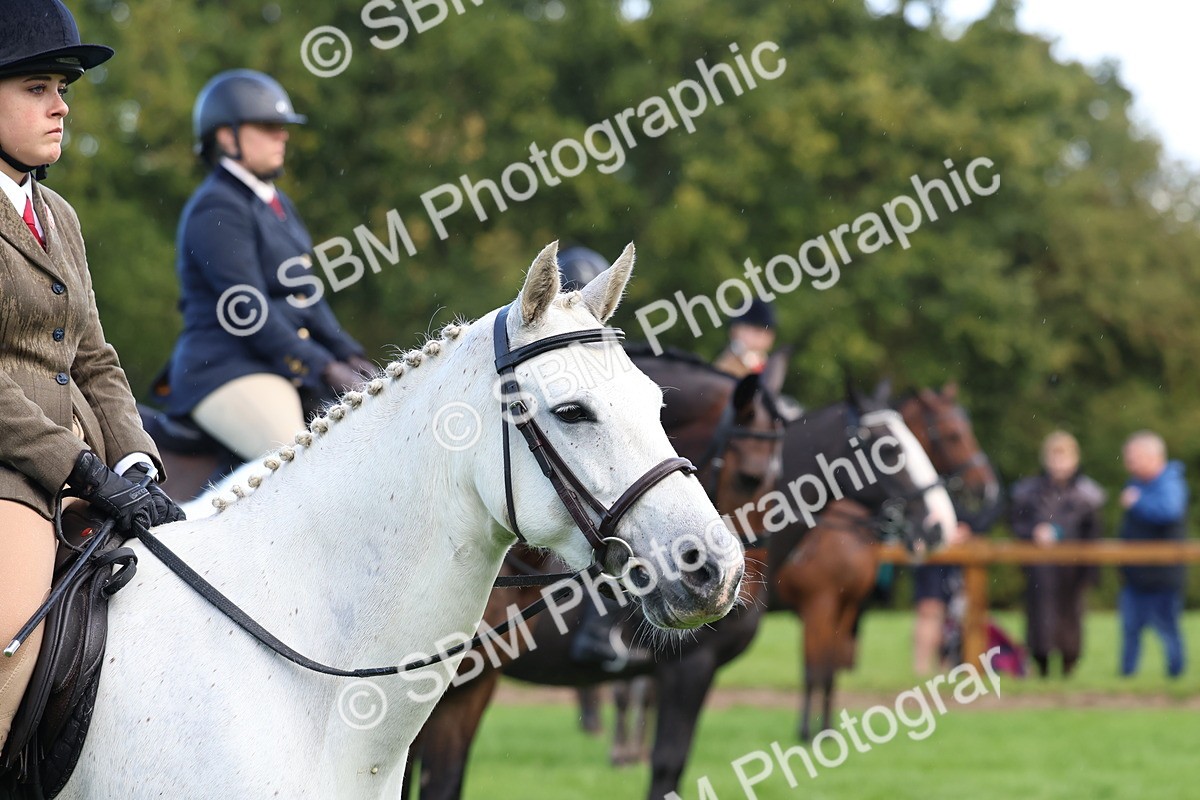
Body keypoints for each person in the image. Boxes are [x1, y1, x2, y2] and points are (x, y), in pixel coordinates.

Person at [0, 0, 184, 754]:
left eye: (63, 88)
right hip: (12, 475)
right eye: (37, 87)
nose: (61, 106)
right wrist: (78, 466)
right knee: (10, 639)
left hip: (91, 466)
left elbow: (95, 357)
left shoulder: (60, 216)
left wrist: (134, 459)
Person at [165, 69, 373, 461]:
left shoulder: (277, 203)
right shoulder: (216, 207)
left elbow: (306, 296)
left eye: (282, 127)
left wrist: (351, 355)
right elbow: (249, 311)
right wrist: (324, 368)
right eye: (267, 127)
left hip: (278, 363)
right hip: (229, 369)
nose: (283, 135)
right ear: (227, 138)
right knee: (302, 463)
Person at [1010, 431, 1105, 677]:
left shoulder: (1087, 495)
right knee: (1039, 617)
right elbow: (1017, 525)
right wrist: (1033, 532)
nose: (1059, 464)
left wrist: (1090, 573)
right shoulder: (1029, 492)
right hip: (1040, 569)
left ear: (1075, 459)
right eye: (1055, 457)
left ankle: (1068, 665)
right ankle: (1040, 664)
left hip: (1073, 570)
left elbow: (1093, 535)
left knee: (1070, 617)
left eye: (1064, 457)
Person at [1118, 431, 1187, 678]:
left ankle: (1175, 678)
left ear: (1154, 456)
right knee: (1130, 631)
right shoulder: (1135, 484)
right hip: (1136, 575)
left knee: (1168, 630)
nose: (1130, 464)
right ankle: (1127, 678)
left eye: (1134, 458)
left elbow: (1169, 511)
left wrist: (1138, 503)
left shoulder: (1170, 483)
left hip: (1162, 576)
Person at [714, 298, 776, 378]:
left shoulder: (768, 367)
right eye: (757, 331)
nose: (762, 338)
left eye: (767, 333)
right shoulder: (724, 368)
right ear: (735, 330)